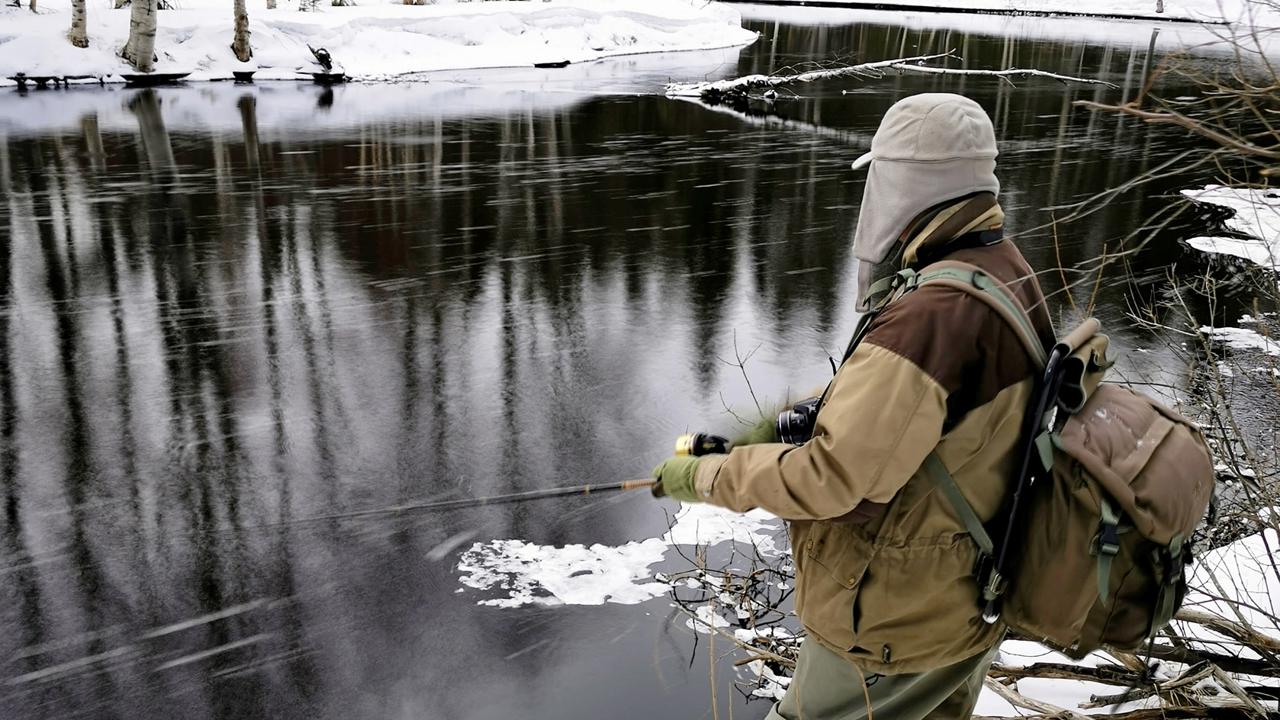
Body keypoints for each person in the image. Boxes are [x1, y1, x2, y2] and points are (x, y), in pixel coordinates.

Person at [650, 93, 1057, 720]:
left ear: (911, 182)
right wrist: (776, 428)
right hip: (961, 602)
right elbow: (927, 415)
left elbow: (838, 480)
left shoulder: (931, 315)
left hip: (893, 625)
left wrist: (705, 476)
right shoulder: (1000, 267)